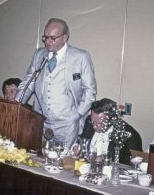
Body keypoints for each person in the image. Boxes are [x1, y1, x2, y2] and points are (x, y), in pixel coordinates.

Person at [15, 18, 97, 152]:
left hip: (67, 124)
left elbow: (90, 91)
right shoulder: (39, 54)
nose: (47, 42)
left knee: (62, 162)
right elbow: (28, 82)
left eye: (53, 38)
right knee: (39, 160)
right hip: (41, 121)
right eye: (45, 37)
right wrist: (16, 106)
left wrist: (77, 115)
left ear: (65, 38)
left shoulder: (80, 57)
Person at [80, 98, 143, 164]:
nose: (94, 126)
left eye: (99, 123)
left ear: (112, 119)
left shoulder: (129, 134)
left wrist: (106, 158)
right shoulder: (89, 121)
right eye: (93, 122)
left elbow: (134, 161)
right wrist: (78, 149)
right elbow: (83, 143)